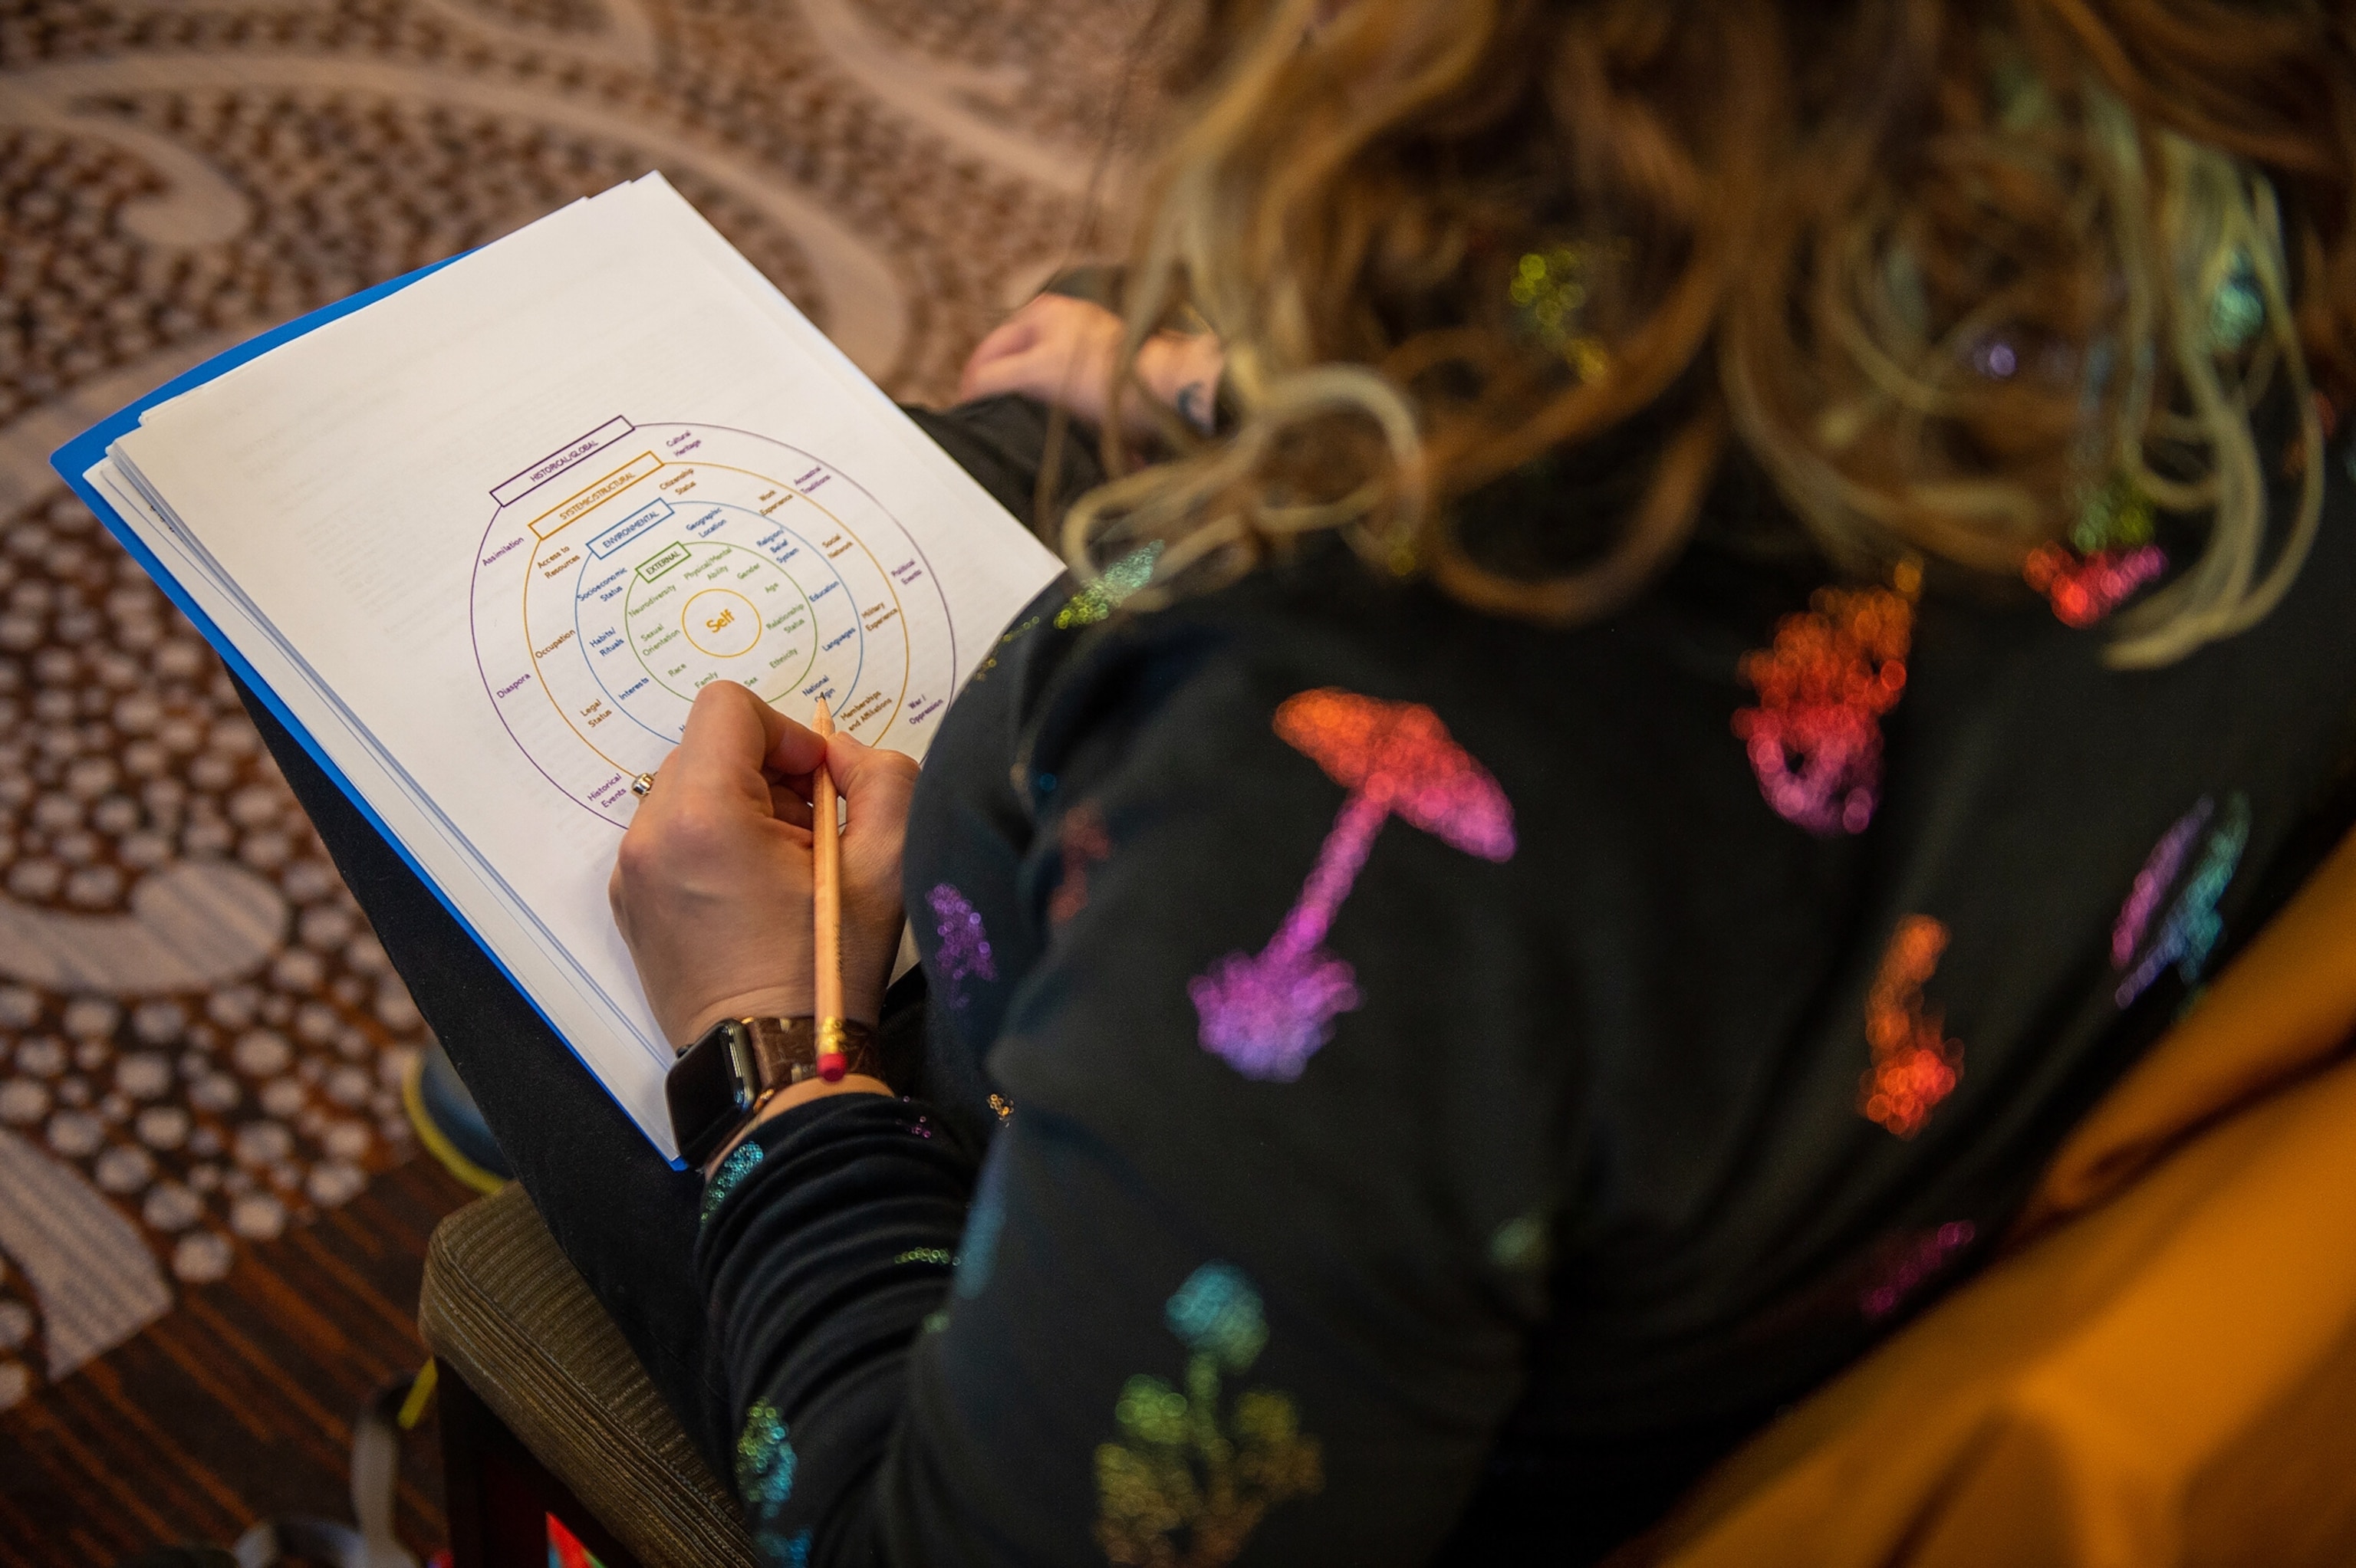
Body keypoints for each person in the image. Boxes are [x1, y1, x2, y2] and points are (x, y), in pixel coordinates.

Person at [255, 2, 2356, 1563]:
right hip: (1866, 1061)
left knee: (383, 677)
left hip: (1215, 1249)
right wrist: (1261, 387)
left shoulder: (1350, 827)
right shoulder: (2225, 165)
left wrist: (767, 1067)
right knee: (973, 443)